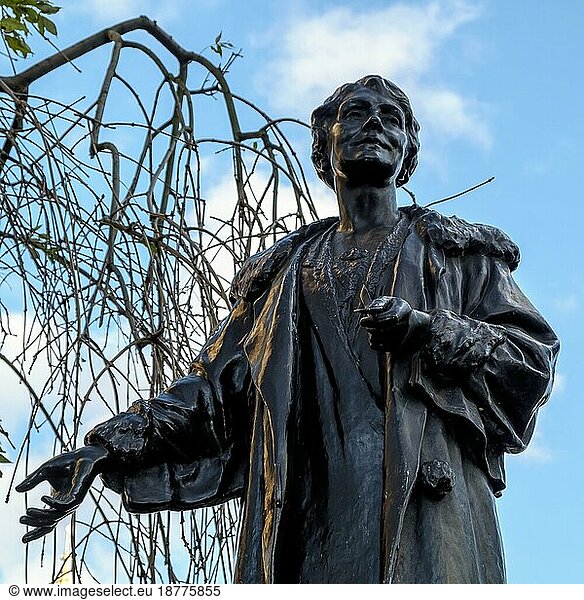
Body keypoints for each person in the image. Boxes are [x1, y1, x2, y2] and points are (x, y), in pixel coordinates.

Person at [17, 75, 559, 584]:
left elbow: (530, 359)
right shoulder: (284, 275)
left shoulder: (458, 255)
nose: (375, 124)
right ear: (326, 144)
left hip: (425, 513)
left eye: (391, 118)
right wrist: (106, 448)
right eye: (357, 113)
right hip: (310, 519)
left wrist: (428, 331)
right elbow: (213, 393)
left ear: (407, 152)